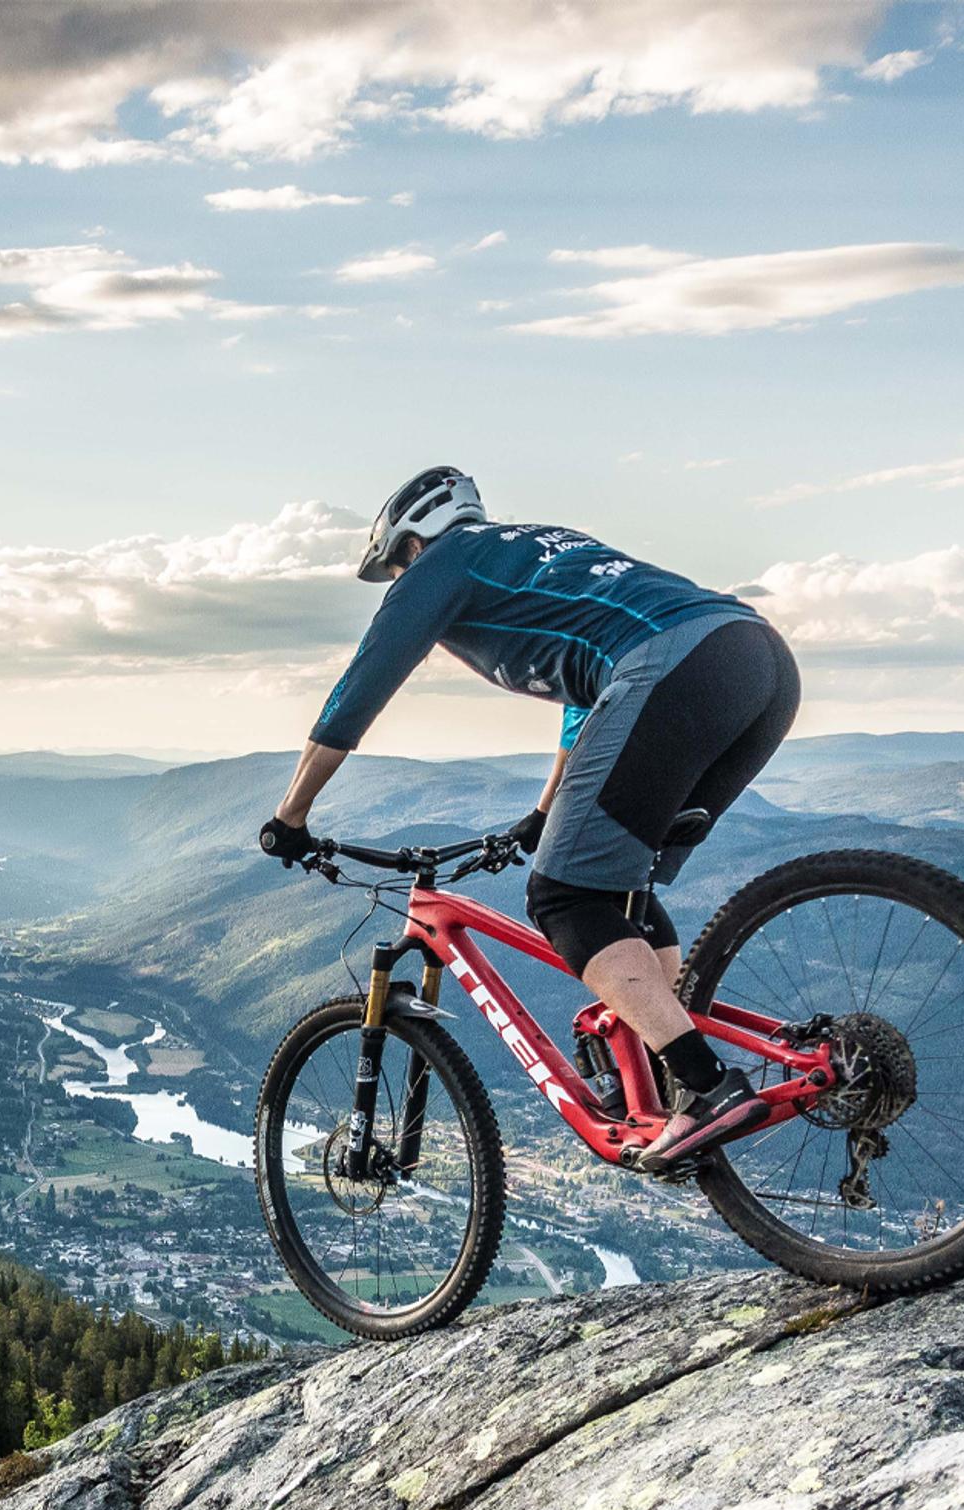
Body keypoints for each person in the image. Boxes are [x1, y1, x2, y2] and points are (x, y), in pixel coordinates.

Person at [258, 466, 801, 1172]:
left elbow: (359, 690)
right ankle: (670, 1081)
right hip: (755, 660)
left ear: (413, 544)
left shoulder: (444, 563)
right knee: (619, 891)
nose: (398, 581)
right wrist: (544, 812)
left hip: (679, 667)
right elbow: (589, 694)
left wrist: (291, 815)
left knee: (564, 899)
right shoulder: (539, 547)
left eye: (394, 568)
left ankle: (705, 1087)